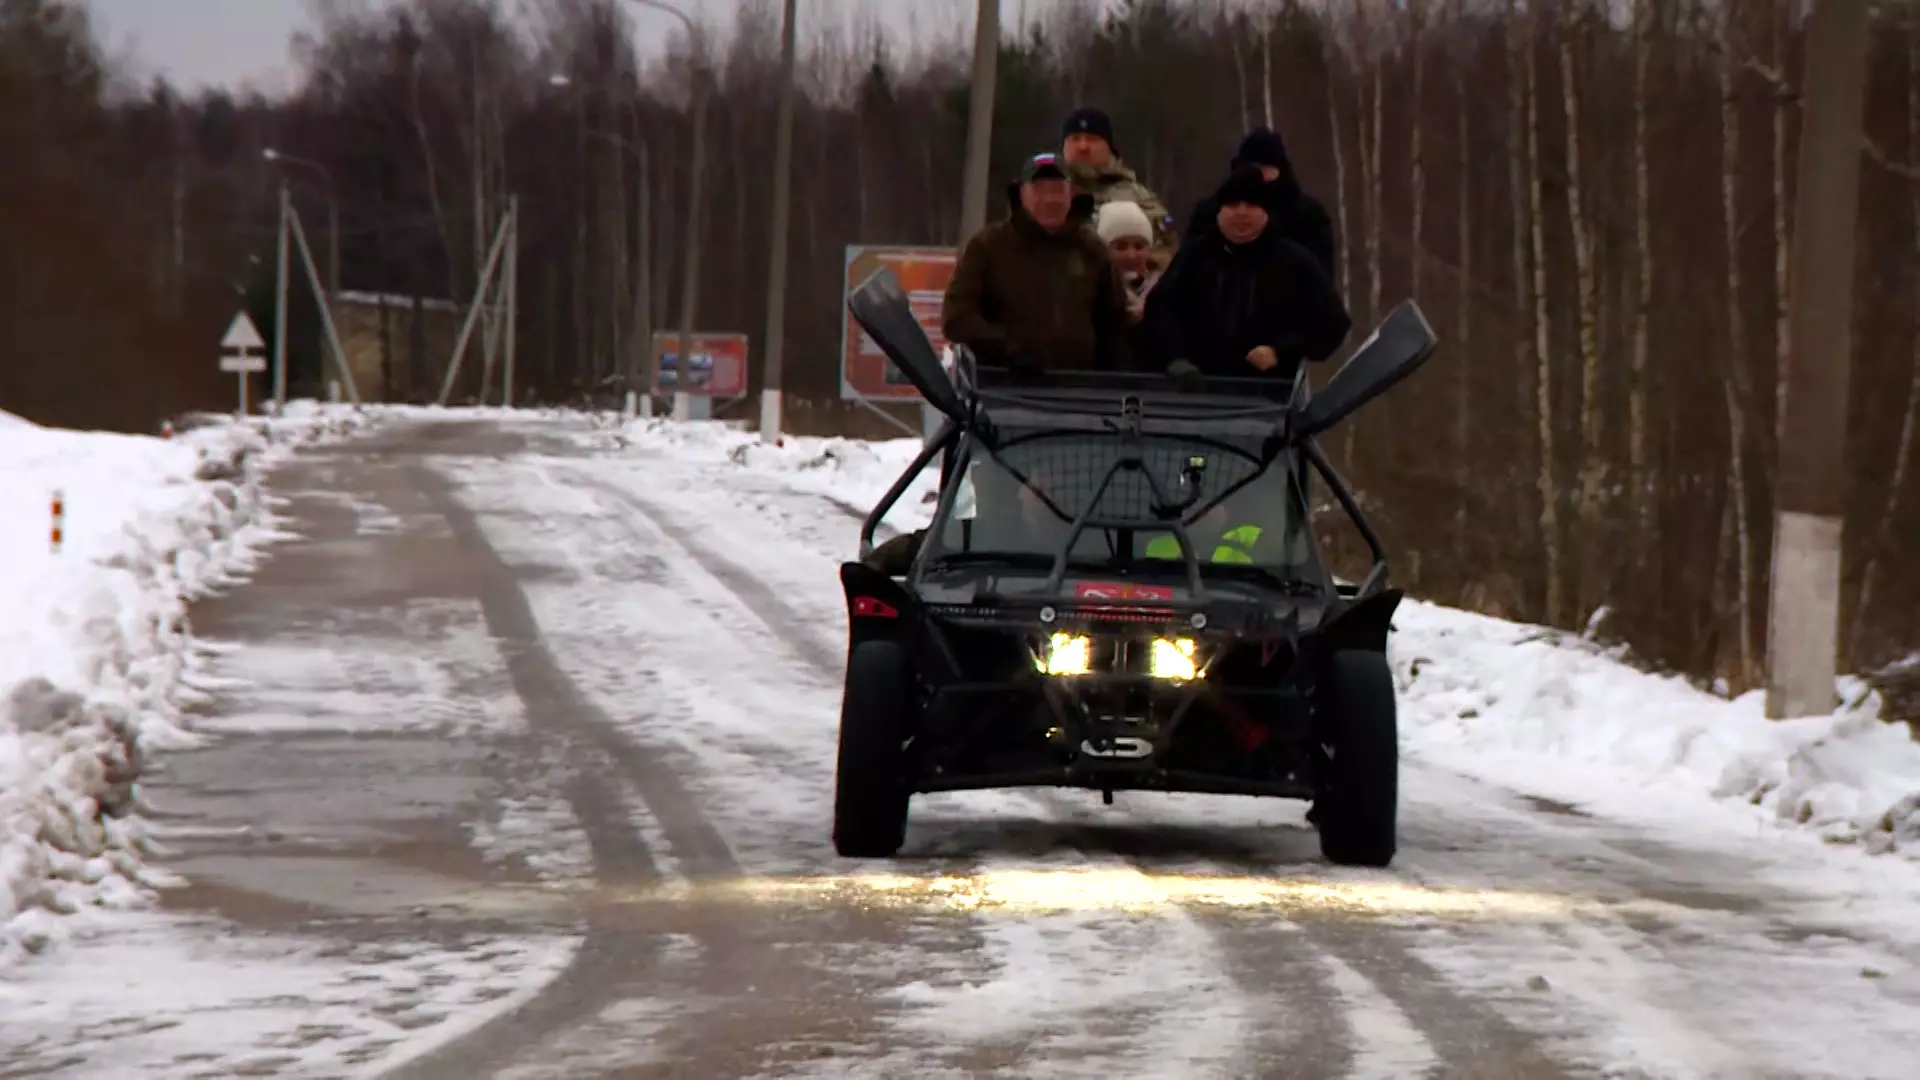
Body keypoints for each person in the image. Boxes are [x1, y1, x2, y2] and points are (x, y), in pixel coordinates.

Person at [1146, 166, 1352, 389]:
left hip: (1268, 399)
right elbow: (1159, 310)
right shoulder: (1192, 257)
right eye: (1233, 205)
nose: (1242, 212)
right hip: (1195, 393)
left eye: (1251, 205)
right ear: (1219, 212)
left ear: (1265, 212)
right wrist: (1175, 359)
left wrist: (1280, 351)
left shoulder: (1295, 262)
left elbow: (1332, 323)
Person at [940, 151, 1133, 377]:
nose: (1050, 200)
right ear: (1021, 194)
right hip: (1003, 386)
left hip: (1080, 389)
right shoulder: (988, 246)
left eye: (1058, 190)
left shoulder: (1092, 249)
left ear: (1071, 194)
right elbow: (957, 318)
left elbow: (1115, 322)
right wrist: (1009, 352)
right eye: (1039, 190)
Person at [1184, 126, 1338, 280]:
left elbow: (1321, 278)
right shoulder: (1211, 213)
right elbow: (1186, 271)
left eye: (1265, 168)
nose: (1258, 175)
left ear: (1279, 170)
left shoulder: (1308, 215)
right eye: (1252, 168)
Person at [1060, 106, 1177, 270]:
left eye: (1092, 139)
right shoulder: (1046, 193)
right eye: (1075, 139)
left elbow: (1168, 252)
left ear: (1109, 147)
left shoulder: (1139, 197)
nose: (1083, 146)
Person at [1095, 200, 1161, 358]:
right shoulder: (1093, 289)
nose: (1131, 255)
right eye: (1120, 247)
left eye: (1139, 246)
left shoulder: (1164, 287)